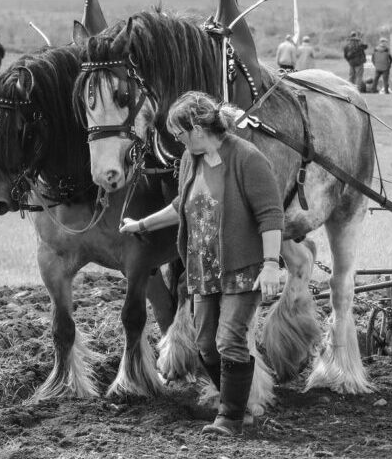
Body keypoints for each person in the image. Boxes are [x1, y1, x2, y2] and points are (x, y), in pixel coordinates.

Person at [119, 91, 283, 435]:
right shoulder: (191, 161)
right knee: (206, 344)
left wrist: (270, 264)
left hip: (243, 268)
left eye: (179, 133)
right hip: (203, 268)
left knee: (229, 340)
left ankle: (231, 418)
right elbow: (182, 203)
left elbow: (271, 216)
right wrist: (142, 224)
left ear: (196, 126)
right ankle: (235, 402)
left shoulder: (247, 159)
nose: (177, 140)